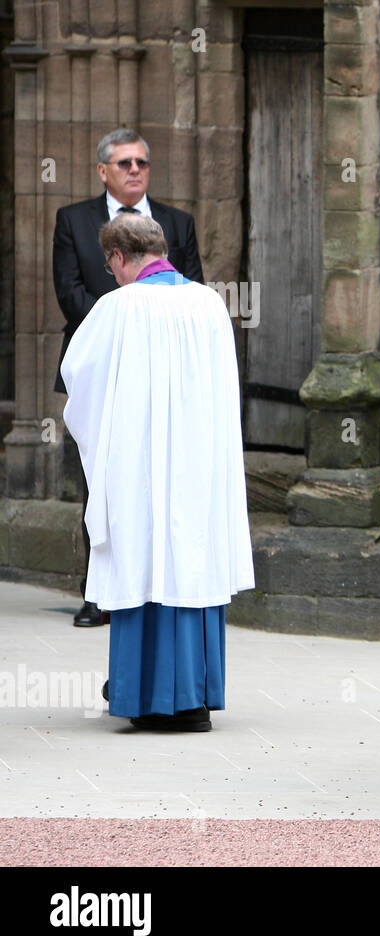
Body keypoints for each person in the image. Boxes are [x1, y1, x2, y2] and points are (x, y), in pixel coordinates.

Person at [60, 214, 250, 731]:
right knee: (190, 559)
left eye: (110, 265)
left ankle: (147, 696)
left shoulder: (116, 309)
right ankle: (193, 698)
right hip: (197, 465)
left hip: (140, 466)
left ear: (119, 258)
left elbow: (79, 382)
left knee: (142, 559)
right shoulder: (210, 304)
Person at [53, 128, 205, 628]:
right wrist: (120, 332)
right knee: (101, 481)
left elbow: (192, 292)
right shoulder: (73, 220)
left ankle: (162, 581)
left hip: (163, 378)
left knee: (161, 477)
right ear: (103, 171)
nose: (135, 170)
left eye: (141, 162)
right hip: (101, 370)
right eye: (124, 163)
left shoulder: (178, 223)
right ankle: (98, 592)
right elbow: (70, 293)